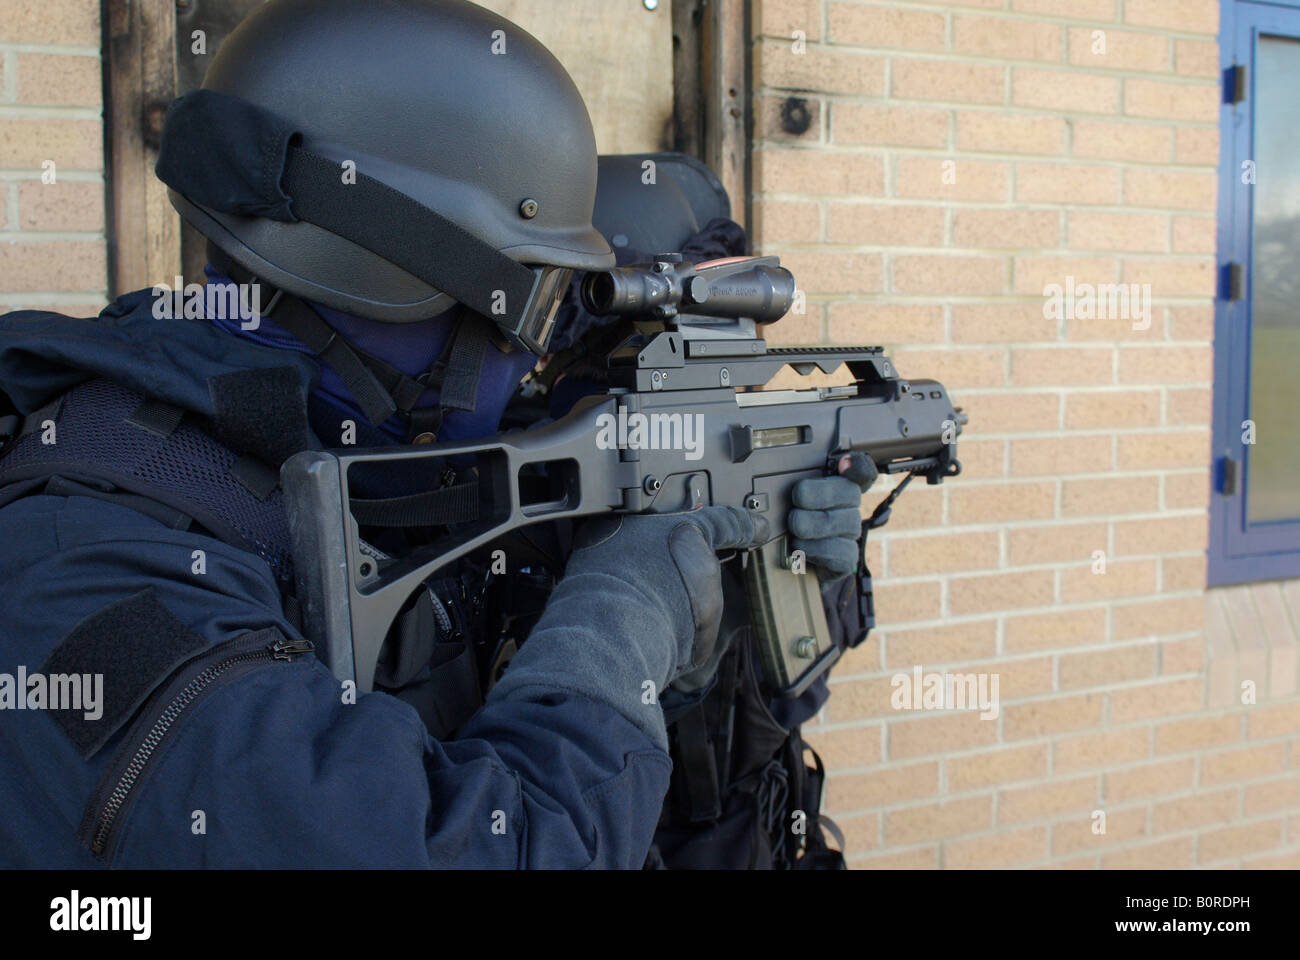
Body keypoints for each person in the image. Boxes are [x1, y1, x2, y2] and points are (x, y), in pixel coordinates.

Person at [0, 0, 871, 868]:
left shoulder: (364, 467)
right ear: (394, 269)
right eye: (539, 299)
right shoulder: (82, 572)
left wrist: (714, 645)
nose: (537, 359)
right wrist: (620, 632)